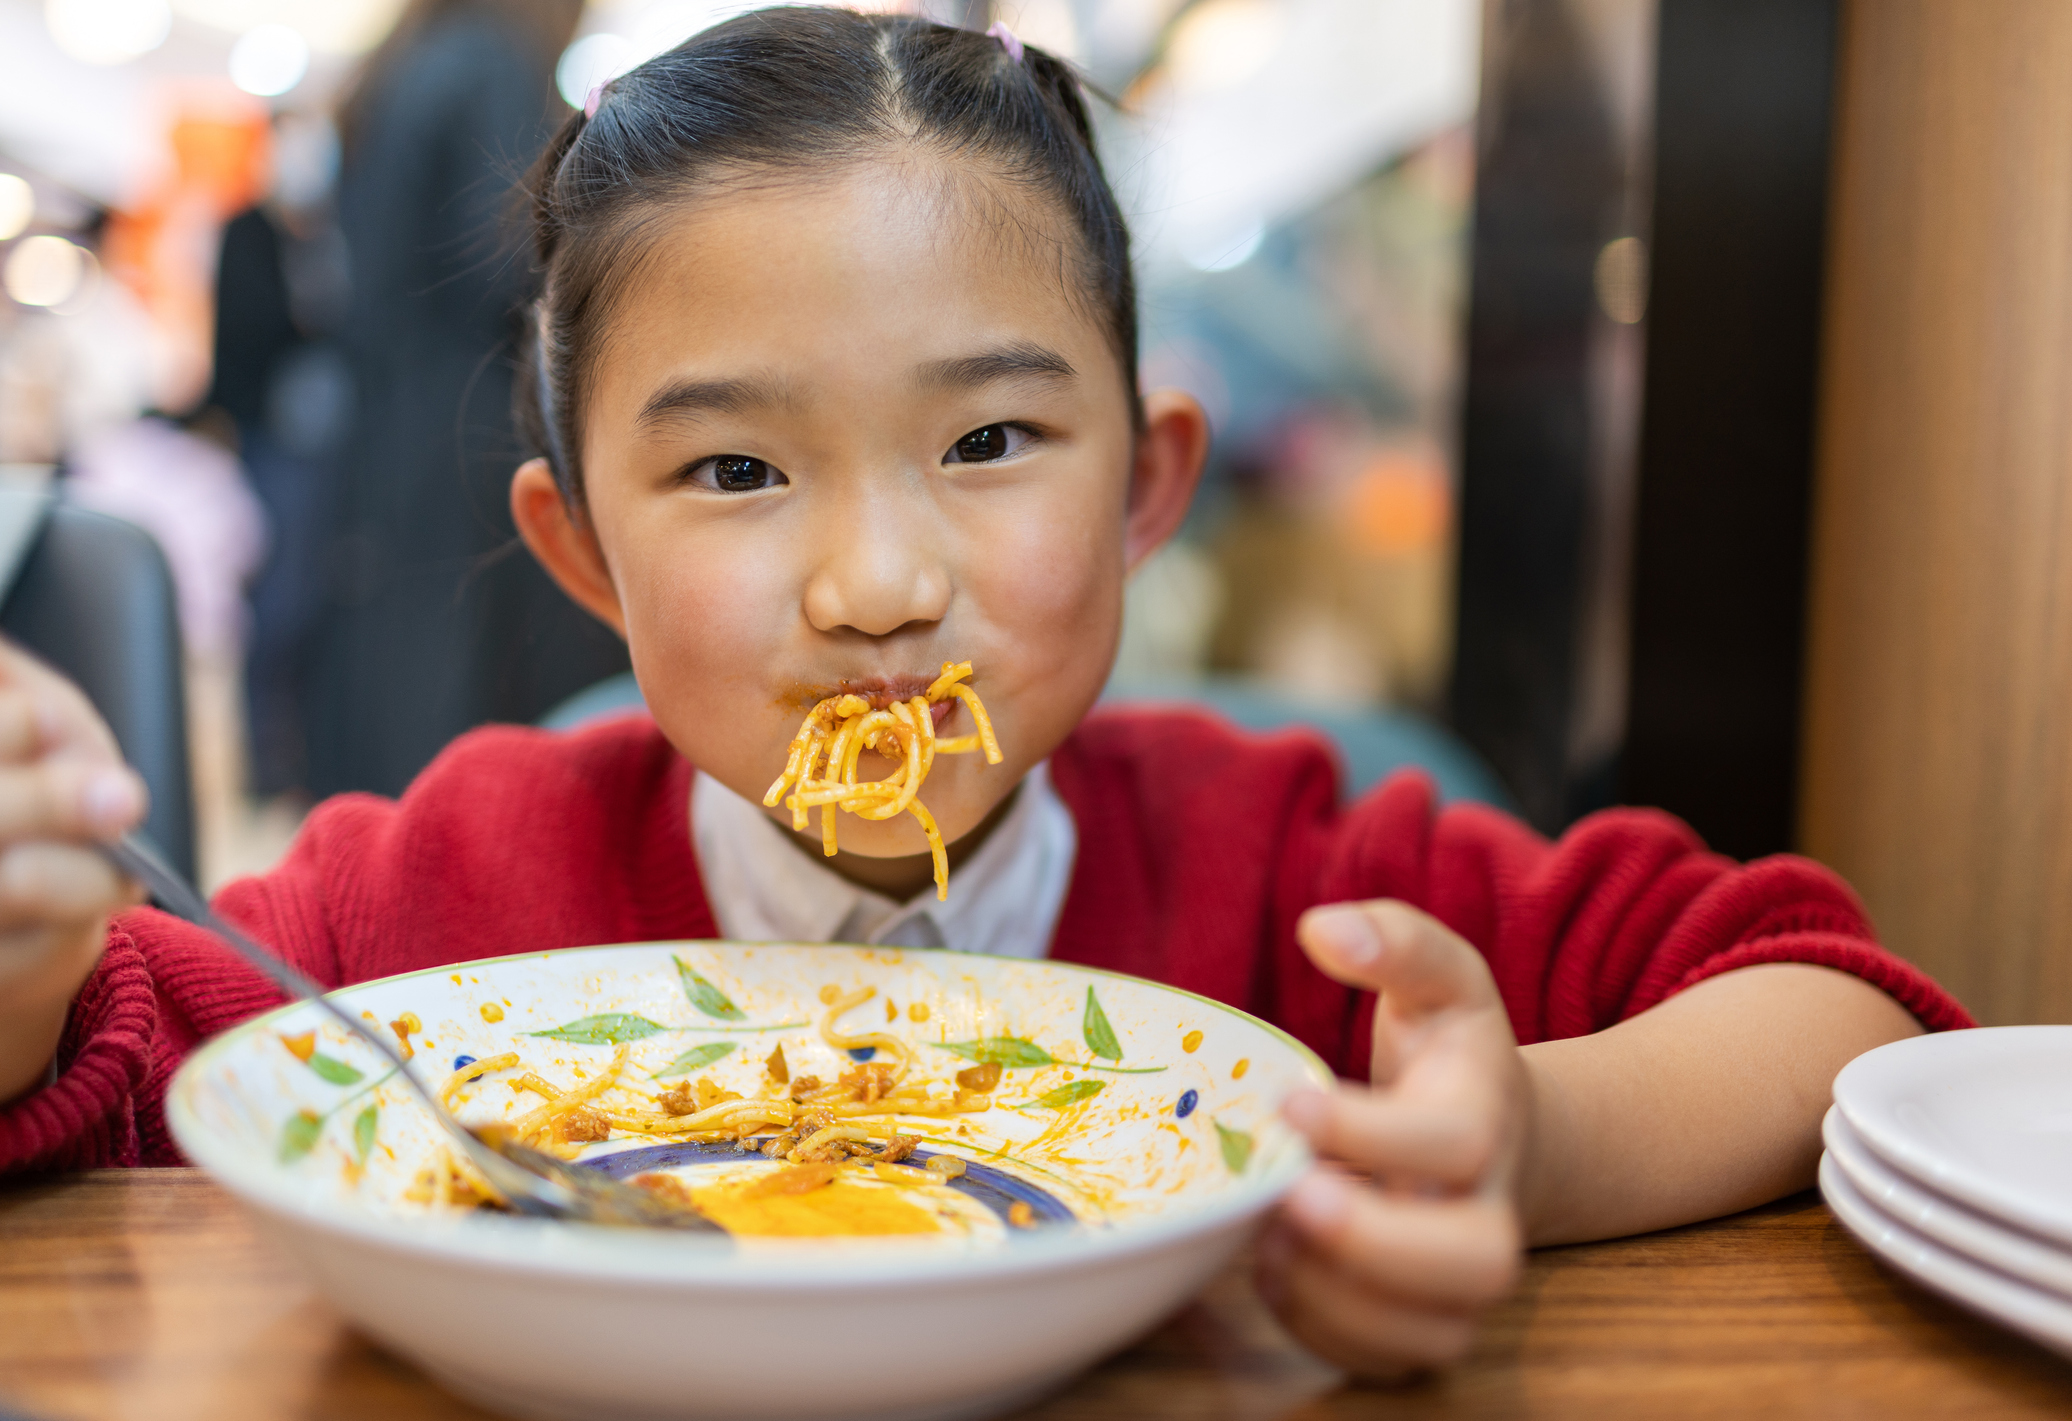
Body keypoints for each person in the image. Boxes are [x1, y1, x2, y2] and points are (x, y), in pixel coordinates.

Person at [0, 8, 1966, 1378]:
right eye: (736, 471)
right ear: (583, 550)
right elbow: (94, 1081)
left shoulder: (1300, 865)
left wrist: (1514, 1135)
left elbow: (1825, 998)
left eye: (995, 437)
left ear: (1143, 489)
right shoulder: (413, 909)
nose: (876, 584)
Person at [315, 0, 628, 799]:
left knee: (408, 655)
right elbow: (505, 261)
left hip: (390, 418)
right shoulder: (493, 62)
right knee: (473, 664)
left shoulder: (398, 70)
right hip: (473, 415)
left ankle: (405, 858)